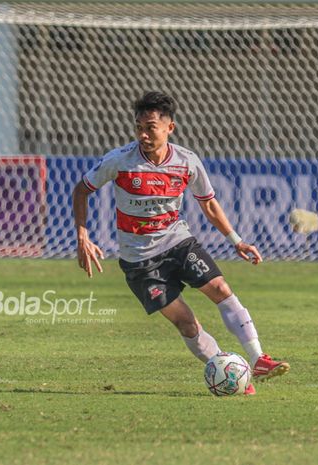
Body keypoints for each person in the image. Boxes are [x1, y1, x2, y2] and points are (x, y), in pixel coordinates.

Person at [72, 91, 289, 393]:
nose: (143, 134)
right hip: (139, 261)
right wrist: (82, 235)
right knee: (187, 323)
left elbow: (209, 204)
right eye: (139, 127)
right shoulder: (120, 161)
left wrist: (236, 241)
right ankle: (230, 377)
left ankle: (258, 359)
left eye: (150, 127)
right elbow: (81, 190)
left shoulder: (187, 162)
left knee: (221, 289)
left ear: (169, 128)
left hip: (178, 243)